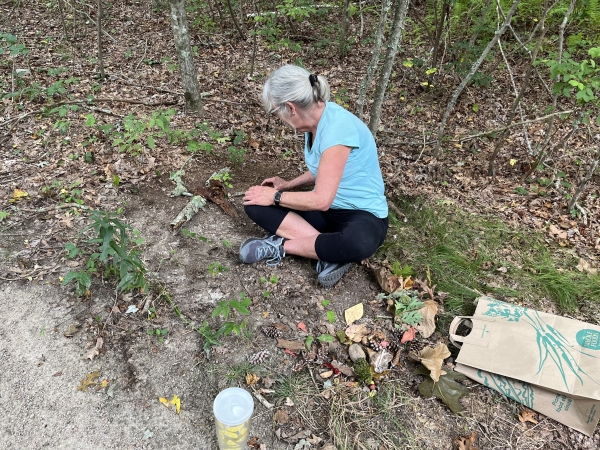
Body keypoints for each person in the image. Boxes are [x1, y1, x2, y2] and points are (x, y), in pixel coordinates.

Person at [239, 65, 388, 288]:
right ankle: (329, 251)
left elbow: (321, 199)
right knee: (254, 202)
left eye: (276, 112)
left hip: (363, 213)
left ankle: (280, 246)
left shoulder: (338, 129)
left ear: (290, 108)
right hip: (328, 213)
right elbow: (324, 170)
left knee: (359, 243)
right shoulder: (314, 125)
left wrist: (276, 197)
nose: (278, 118)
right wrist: (287, 185)